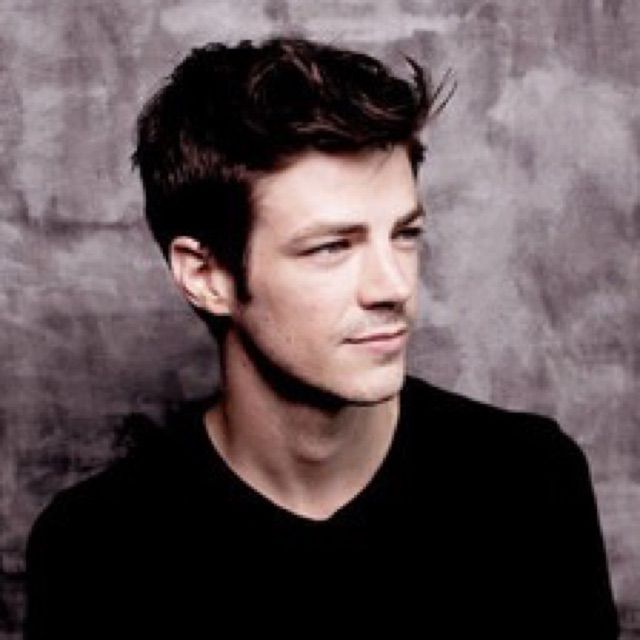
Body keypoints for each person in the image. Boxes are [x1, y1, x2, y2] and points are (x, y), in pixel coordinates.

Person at [24, 37, 619, 639]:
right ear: (206, 276)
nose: (393, 286)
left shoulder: (529, 484)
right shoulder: (95, 549)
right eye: (332, 247)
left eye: (405, 234)